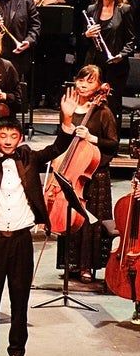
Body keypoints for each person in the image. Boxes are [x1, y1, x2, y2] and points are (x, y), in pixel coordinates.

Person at [0, 91, 78, 356]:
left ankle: (17, 353)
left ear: (20, 138)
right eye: (3, 135)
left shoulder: (29, 158)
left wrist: (66, 119)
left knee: (19, 300)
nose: (8, 140)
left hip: (21, 241)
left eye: (13, 136)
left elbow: (57, 147)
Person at [58, 66, 118, 283]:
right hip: (72, 169)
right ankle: (70, 264)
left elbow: (113, 144)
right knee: (70, 216)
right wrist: (66, 121)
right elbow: (61, 139)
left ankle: (86, 266)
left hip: (94, 173)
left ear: (99, 86)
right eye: (81, 80)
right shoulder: (69, 107)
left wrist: (92, 138)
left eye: (90, 81)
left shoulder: (103, 112)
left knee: (89, 221)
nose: (83, 85)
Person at [15, 0, 79, 107]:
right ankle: (33, 98)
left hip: (57, 28)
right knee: (34, 63)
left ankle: (53, 98)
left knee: (55, 63)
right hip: (32, 26)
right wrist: (31, 0)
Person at [84, 0, 135, 118]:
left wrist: (121, 55)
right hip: (95, 64)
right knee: (92, 103)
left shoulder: (124, 9)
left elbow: (132, 39)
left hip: (116, 65)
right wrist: (87, 34)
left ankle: (112, 133)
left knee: (112, 105)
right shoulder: (91, 9)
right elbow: (83, 41)